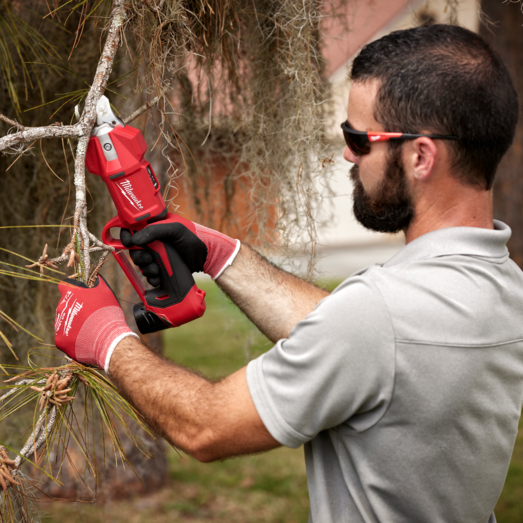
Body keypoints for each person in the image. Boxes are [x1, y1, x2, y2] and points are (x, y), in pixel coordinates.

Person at [54, 24, 523, 523]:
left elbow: (206, 428)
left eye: (358, 138)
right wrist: (221, 254)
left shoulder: (381, 317)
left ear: (421, 155)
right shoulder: (500, 288)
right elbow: (360, 343)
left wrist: (105, 339)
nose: (346, 154)